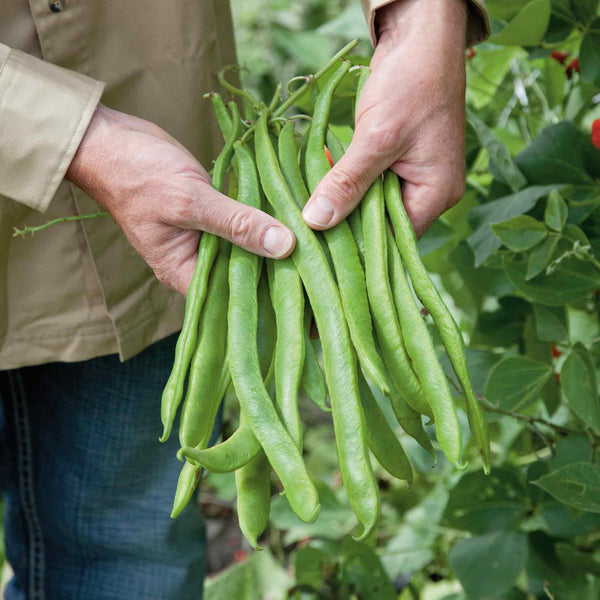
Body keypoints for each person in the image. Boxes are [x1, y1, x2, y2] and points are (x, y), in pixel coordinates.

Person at [0, 0, 489, 598]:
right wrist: (70, 137)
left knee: (130, 557)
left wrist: (423, 19)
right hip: (141, 177)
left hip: (158, 174)